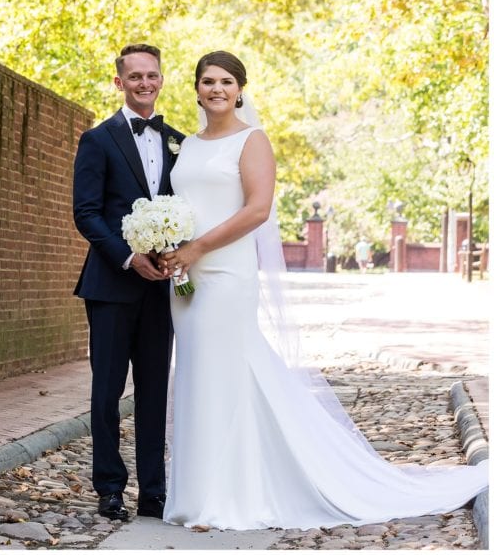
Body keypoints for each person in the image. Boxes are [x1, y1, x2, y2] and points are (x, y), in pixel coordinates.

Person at [158, 51, 488, 529]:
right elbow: (183, 204)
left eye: (226, 82)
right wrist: (170, 246)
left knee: (221, 378)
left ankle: (224, 499)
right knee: (199, 377)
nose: (217, 90)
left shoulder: (252, 140)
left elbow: (256, 210)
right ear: (195, 88)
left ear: (240, 89)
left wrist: (197, 248)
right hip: (186, 279)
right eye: (208, 81)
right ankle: (197, 493)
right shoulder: (187, 145)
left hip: (227, 274)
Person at [72, 44, 186, 521]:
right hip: (112, 286)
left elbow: (189, 209)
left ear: (161, 80)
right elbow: (87, 213)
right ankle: (110, 488)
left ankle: (154, 491)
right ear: (119, 82)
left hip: (162, 288)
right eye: (135, 76)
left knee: (156, 390)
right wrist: (127, 257)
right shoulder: (97, 140)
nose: (145, 83)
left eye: (152, 75)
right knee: (107, 392)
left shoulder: (180, 142)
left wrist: (174, 253)